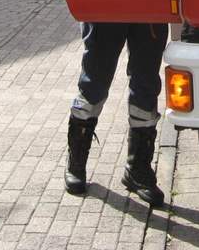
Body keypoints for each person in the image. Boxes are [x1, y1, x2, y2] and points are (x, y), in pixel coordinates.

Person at [65, 22, 169, 206]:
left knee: (146, 88)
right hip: (106, 11)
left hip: (149, 12)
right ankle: (76, 163)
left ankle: (138, 169)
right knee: (93, 85)